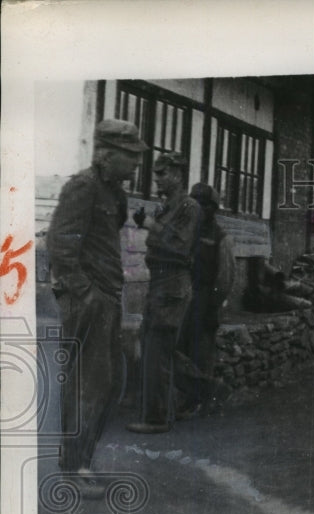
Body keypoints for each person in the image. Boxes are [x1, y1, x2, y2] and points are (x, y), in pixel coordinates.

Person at [47, 119, 148, 494]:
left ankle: (81, 462)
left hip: (108, 296)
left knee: (109, 382)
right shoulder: (83, 187)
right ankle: (74, 469)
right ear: (106, 155)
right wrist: (83, 292)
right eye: (130, 156)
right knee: (88, 383)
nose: (136, 163)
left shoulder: (115, 194)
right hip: (87, 299)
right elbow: (60, 244)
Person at [126, 152, 202, 434]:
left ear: (179, 175)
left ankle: (157, 418)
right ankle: (200, 392)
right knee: (153, 347)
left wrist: (150, 226)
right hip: (159, 281)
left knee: (158, 349)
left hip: (172, 283)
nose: (157, 178)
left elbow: (180, 245)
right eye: (156, 173)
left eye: (164, 173)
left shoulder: (189, 207)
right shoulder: (165, 207)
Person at [173, 182, 235, 417]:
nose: (198, 208)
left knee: (200, 350)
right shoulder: (187, 232)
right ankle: (194, 398)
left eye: (203, 204)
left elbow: (226, 277)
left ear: (213, 208)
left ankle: (202, 402)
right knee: (181, 348)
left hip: (204, 298)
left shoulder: (221, 238)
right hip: (183, 297)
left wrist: (213, 307)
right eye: (194, 202)